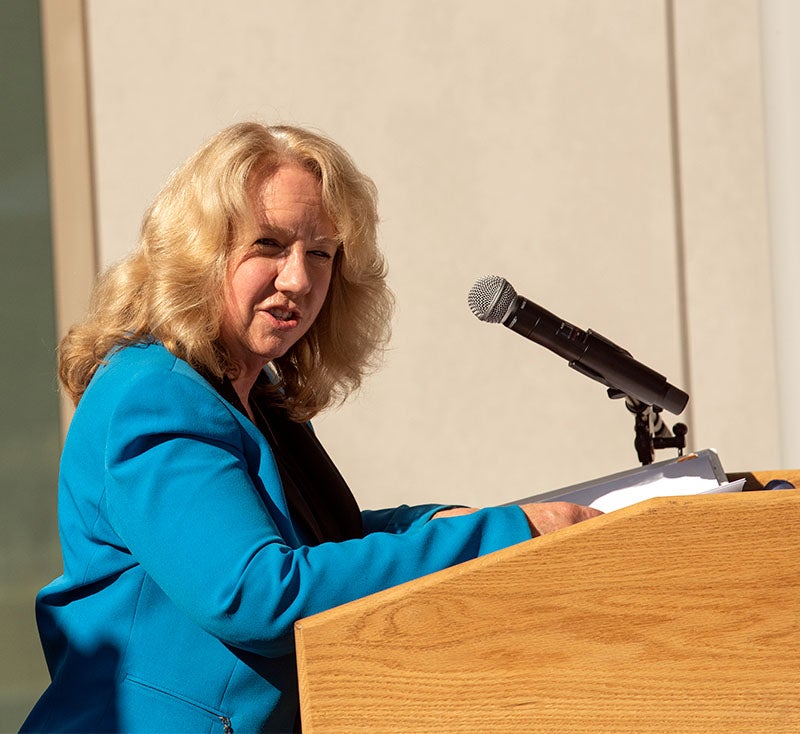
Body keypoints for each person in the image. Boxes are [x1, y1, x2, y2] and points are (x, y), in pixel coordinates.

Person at [22, 122, 601, 733]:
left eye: (320, 253)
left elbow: (308, 540)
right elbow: (257, 595)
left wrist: (435, 525)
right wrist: (502, 535)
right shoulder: (155, 394)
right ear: (200, 251)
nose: (298, 279)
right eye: (269, 244)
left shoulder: (252, 392)